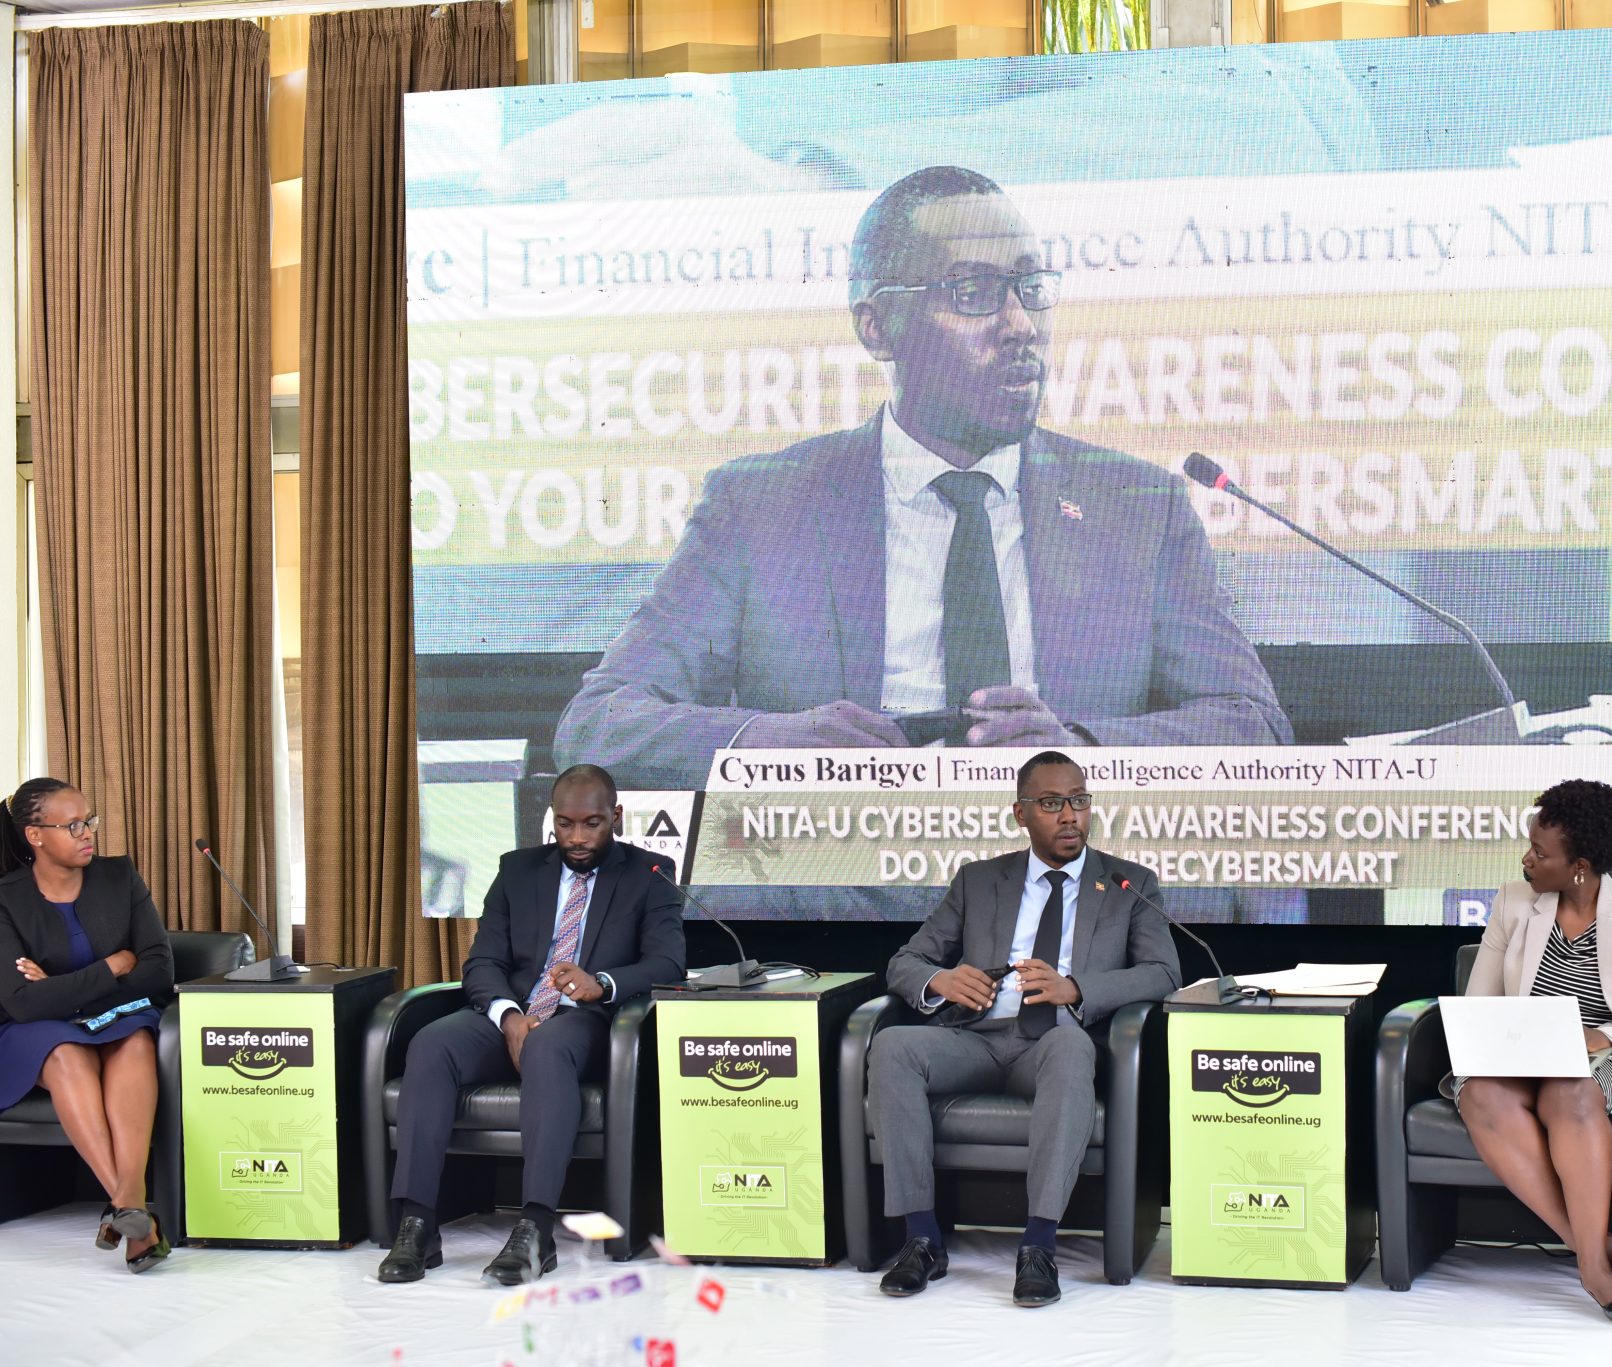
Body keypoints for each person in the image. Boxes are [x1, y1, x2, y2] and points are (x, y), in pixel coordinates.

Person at [555, 163, 1291, 790]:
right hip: (845, 880)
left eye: (1031, 288)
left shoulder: (1138, 506)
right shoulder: (762, 506)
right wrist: (769, 747)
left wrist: (1080, 751)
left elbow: (1254, 723)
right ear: (877, 326)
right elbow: (599, 724)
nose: (1021, 325)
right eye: (973, 292)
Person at [867, 750, 1180, 1307]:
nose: (1070, 816)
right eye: (1053, 803)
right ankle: (922, 1239)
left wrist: (1076, 988)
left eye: (1079, 801)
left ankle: (1038, 1246)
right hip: (978, 1039)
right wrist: (942, 980)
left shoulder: (1129, 884)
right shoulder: (979, 880)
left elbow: (1163, 973)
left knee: (1068, 1047)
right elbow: (905, 962)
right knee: (893, 1046)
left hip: (1055, 1043)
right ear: (1021, 813)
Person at [376, 764, 685, 1286]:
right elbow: (483, 962)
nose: (578, 837)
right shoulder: (517, 871)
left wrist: (601, 982)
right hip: (513, 1012)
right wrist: (509, 1015)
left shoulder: (648, 874)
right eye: (565, 824)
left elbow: (668, 963)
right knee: (431, 1044)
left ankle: (535, 1229)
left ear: (615, 816)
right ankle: (418, 1223)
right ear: (552, 819)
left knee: (547, 1049)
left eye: (591, 824)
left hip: (585, 1021)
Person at [1451, 778, 1612, 1323]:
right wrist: (1511, 1041)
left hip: (1603, 1062)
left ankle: (1592, 1264)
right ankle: (1592, 1253)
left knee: (1569, 1092)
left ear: (1579, 866)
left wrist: (1599, 1038)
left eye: (1540, 852)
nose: (1527, 859)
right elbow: (1479, 1004)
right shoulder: (1513, 903)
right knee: (1480, 1095)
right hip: (1516, 1054)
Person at [0, 778, 175, 1272]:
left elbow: (158, 969)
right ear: (35, 835)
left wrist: (60, 985)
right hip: (39, 1030)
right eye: (72, 825)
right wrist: (112, 966)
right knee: (64, 1054)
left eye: (89, 821)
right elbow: (22, 1003)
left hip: (120, 1015)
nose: (87, 834)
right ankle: (132, 1208)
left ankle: (127, 1207)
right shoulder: (6, 899)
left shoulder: (119, 877)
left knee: (136, 1041)